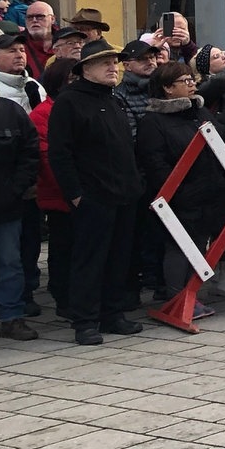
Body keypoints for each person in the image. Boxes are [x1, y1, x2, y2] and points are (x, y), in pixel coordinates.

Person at [46, 39, 147, 345]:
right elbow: (59, 154)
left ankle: (112, 313)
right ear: (85, 68)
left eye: (114, 63)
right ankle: (85, 320)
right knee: (89, 260)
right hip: (92, 196)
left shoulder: (113, 99)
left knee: (119, 258)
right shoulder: (69, 101)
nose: (112, 68)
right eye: (105, 63)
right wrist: (75, 194)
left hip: (124, 193)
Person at [133, 62, 225, 316]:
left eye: (192, 79)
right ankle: (177, 299)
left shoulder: (198, 110)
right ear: (167, 88)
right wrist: (180, 191)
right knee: (179, 248)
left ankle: (191, 295)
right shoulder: (153, 121)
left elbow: (220, 139)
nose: (192, 84)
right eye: (184, 81)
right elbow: (154, 162)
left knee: (199, 246)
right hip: (179, 196)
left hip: (209, 192)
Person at [0, 53, 41, 341]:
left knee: (9, 260)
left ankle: (11, 315)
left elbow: (29, 151)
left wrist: (17, 188)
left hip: (6, 202)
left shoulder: (10, 111)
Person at [28, 58, 75, 320]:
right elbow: (47, 159)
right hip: (59, 195)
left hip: (87, 191)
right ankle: (62, 297)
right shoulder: (43, 113)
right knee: (63, 248)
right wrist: (73, 188)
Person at [21, 0, 54, 77]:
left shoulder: (65, 41)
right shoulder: (17, 44)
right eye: (30, 17)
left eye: (40, 16)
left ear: (52, 19)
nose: (34, 20)